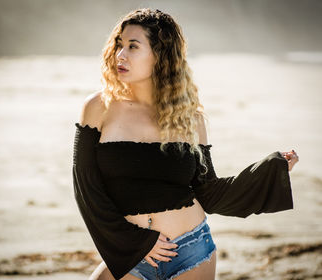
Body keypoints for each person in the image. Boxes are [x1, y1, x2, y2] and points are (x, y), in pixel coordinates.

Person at [72, 8, 299, 280]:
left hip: (192, 249)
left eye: (133, 46)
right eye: (119, 45)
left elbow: (209, 192)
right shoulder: (99, 108)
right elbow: (86, 188)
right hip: (130, 252)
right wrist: (134, 243)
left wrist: (271, 169)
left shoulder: (190, 119)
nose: (120, 54)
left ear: (160, 55)